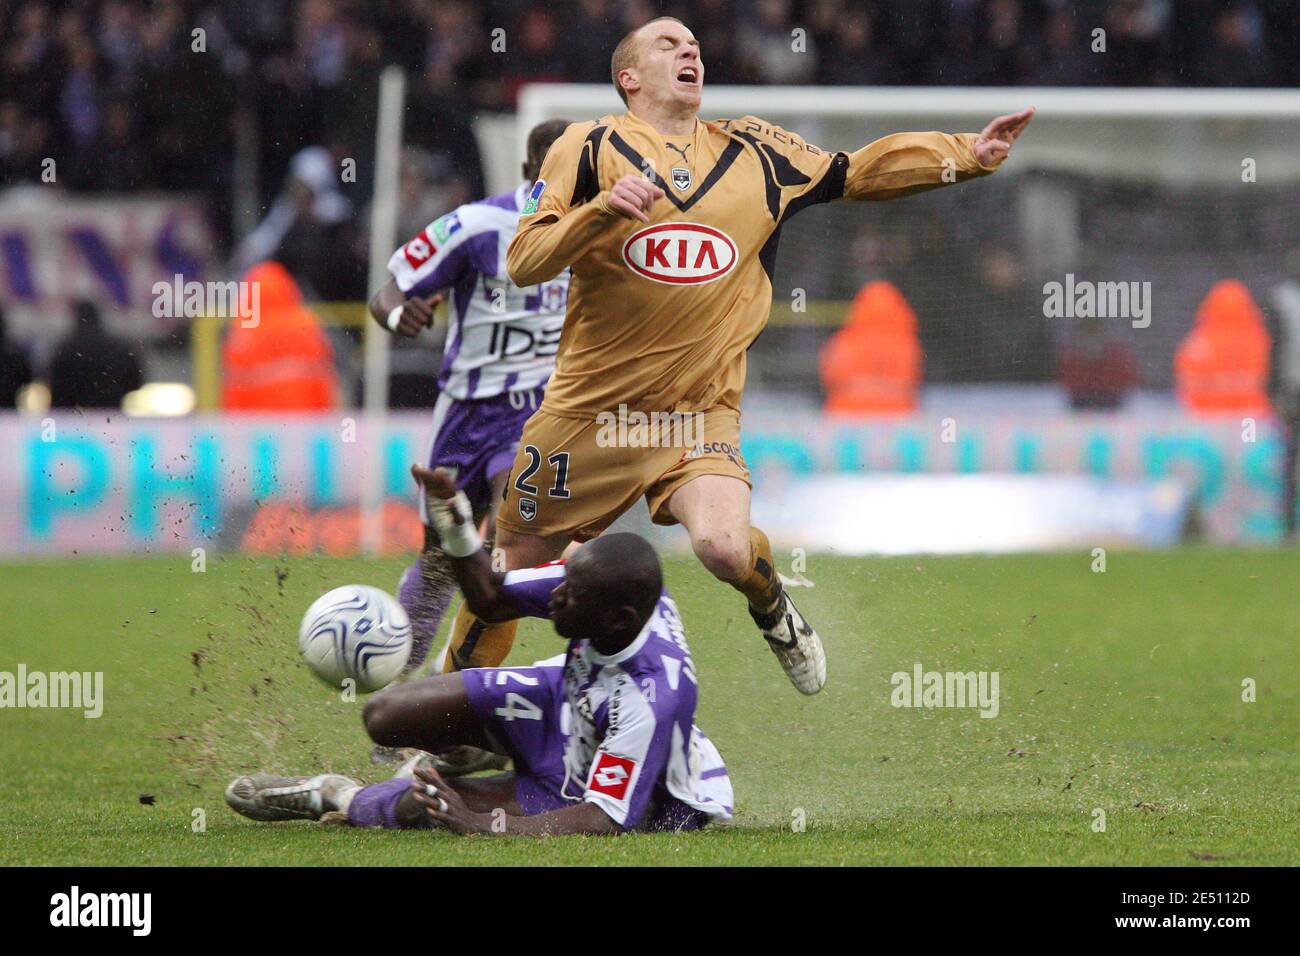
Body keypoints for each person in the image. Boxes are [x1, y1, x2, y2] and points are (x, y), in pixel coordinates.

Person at [438, 15, 1033, 695]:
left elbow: (857, 171)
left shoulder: (756, 151)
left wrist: (963, 155)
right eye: (667, 43)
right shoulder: (586, 146)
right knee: (508, 571)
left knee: (722, 547)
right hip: (588, 414)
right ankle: (447, 724)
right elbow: (524, 261)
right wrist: (600, 210)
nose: (689, 48)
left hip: (697, 413)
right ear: (628, 77)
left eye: (694, 42)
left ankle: (772, 602)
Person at [223, 465, 732, 836]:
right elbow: (489, 594)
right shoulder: (598, 589)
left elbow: (601, 818)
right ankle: (477, 747)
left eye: (570, 596)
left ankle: (336, 794)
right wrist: (454, 521)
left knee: (428, 806)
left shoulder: (649, 699)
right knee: (385, 717)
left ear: (617, 620)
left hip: (592, 775)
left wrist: (480, 824)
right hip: (564, 698)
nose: (554, 597)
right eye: (564, 582)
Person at [366, 120, 571, 680]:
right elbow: (389, 292)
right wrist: (396, 315)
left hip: (537, 415)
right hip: (465, 416)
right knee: (438, 564)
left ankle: (455, 686)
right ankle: (404, 694)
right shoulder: (479, 227)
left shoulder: (595, 234)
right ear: (531, 171)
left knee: (516, 542)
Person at [48, 299, 144, 409]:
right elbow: (135, 381)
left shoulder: (65, 349)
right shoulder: (118, 348)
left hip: (73, 417)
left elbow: (54, 385)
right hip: (111, 414)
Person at [0, 305, 33, 409]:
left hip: (9, 411)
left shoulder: (13, 353)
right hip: (10, 411)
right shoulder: (13, 352)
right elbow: (28, 379)